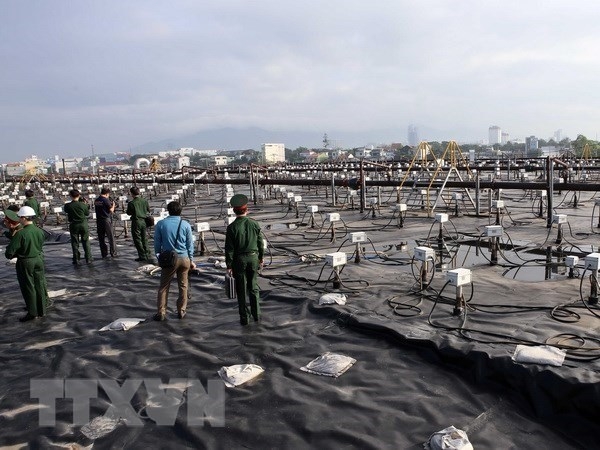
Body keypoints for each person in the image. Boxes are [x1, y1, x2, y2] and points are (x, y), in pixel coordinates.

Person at [225, 194, 264, 325]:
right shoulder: (254, 224)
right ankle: (256, 314)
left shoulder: (231, 228)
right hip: (253, 258)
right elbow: (260, 243)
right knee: (253, 286)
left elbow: (229, 249)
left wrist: (229, 265)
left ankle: (244, 317)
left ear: (234, 210)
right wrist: (261, 258)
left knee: (241, 289)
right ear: (246, 209)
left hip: (239, 260)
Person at [153, 201, 196, 321]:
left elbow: (157, 243)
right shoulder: (185, 224)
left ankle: (161, 312)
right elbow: (190, 244)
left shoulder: (161, 224)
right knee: (183, 285)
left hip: (169, 259)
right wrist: (191, 259)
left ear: (168, 210)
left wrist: (158, 257)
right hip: (184, 258)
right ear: (180, 211)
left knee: (164, 286)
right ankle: (181, 311)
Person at [5, 206, 49, 322]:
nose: (19, 219)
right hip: (39, 259)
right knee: (39, 284)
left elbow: (9, 253)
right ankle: (42, 310)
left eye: (20, 217)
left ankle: (32, 312)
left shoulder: (21, 234)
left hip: (26, 261)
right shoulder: (39, 231)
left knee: (28, 287)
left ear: (24, 218)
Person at [63, 189, 93, 264]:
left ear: (70, 196)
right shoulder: (83, 205)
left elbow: (66, 210)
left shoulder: (68, 206)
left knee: (74, 242)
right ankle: (88, 258)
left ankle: (76, 258)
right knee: (86, 241)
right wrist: (85, 204)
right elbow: (87, 213)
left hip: (73, 225)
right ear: (79, 195)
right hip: (83, 224)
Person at [126, 186, 151, 262]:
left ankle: (142, 255)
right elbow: (148, 210)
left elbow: (128, 213)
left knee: (137, 239)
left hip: (136, 222)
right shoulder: (144, 201)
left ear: (132, 193)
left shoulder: (131, 203)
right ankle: (147, 253)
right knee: (144, 238)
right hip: (144, 221)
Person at [94, 187, 117, 258]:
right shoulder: (106, 200)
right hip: (106, 220)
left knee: (101, 238)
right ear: (107, 194)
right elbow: (111, 210)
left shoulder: (96, 200)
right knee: (111, 237)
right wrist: (113, 205)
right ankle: (113, 253)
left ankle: (104, 253)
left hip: (99, 220)